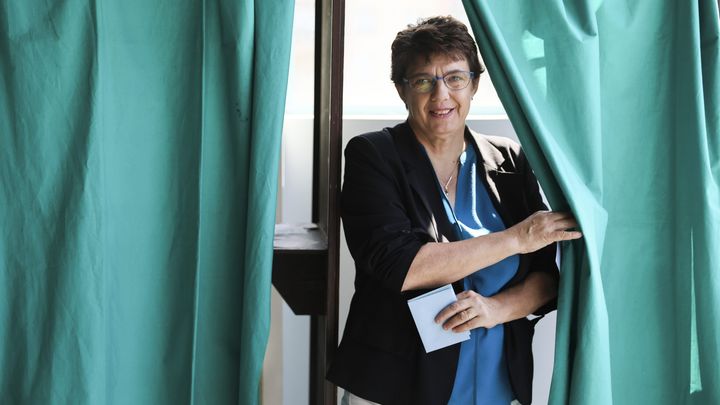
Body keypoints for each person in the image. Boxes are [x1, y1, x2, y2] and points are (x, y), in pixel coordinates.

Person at [326, 16, 582, 405]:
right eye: (423, 80)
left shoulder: (509, 159)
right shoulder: (372, 155)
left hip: (498, 386)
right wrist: (516, 238)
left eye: (455, 78)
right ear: (401, 90)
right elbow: (404, 267)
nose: (441, 95)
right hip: (398, 387)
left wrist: (496, 309)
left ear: (475, 83)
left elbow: (548, 277)